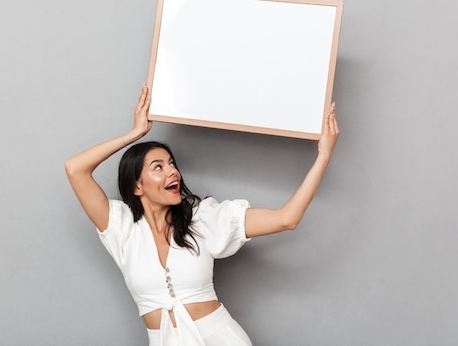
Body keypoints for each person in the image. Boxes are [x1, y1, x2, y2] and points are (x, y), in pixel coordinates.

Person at [65, 84, 339, 346]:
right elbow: (75, 168)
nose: (172, 171)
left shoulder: (203, 219)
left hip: (219, 338)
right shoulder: (121, 227)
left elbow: (287, 217)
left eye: (172, 164)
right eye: (158, 167)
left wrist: (323, 156)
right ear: (137, 186)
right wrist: (136, 132)